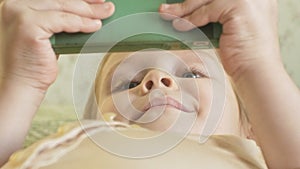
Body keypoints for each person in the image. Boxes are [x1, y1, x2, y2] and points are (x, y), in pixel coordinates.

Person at [0, 0, 299, 168]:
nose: (155, 79)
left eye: (193, 74)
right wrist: (23, 81)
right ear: (90, 124)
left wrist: (256, 65)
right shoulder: (69, 144)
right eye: (128, 81)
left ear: (254, 130)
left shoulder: (269, 155)